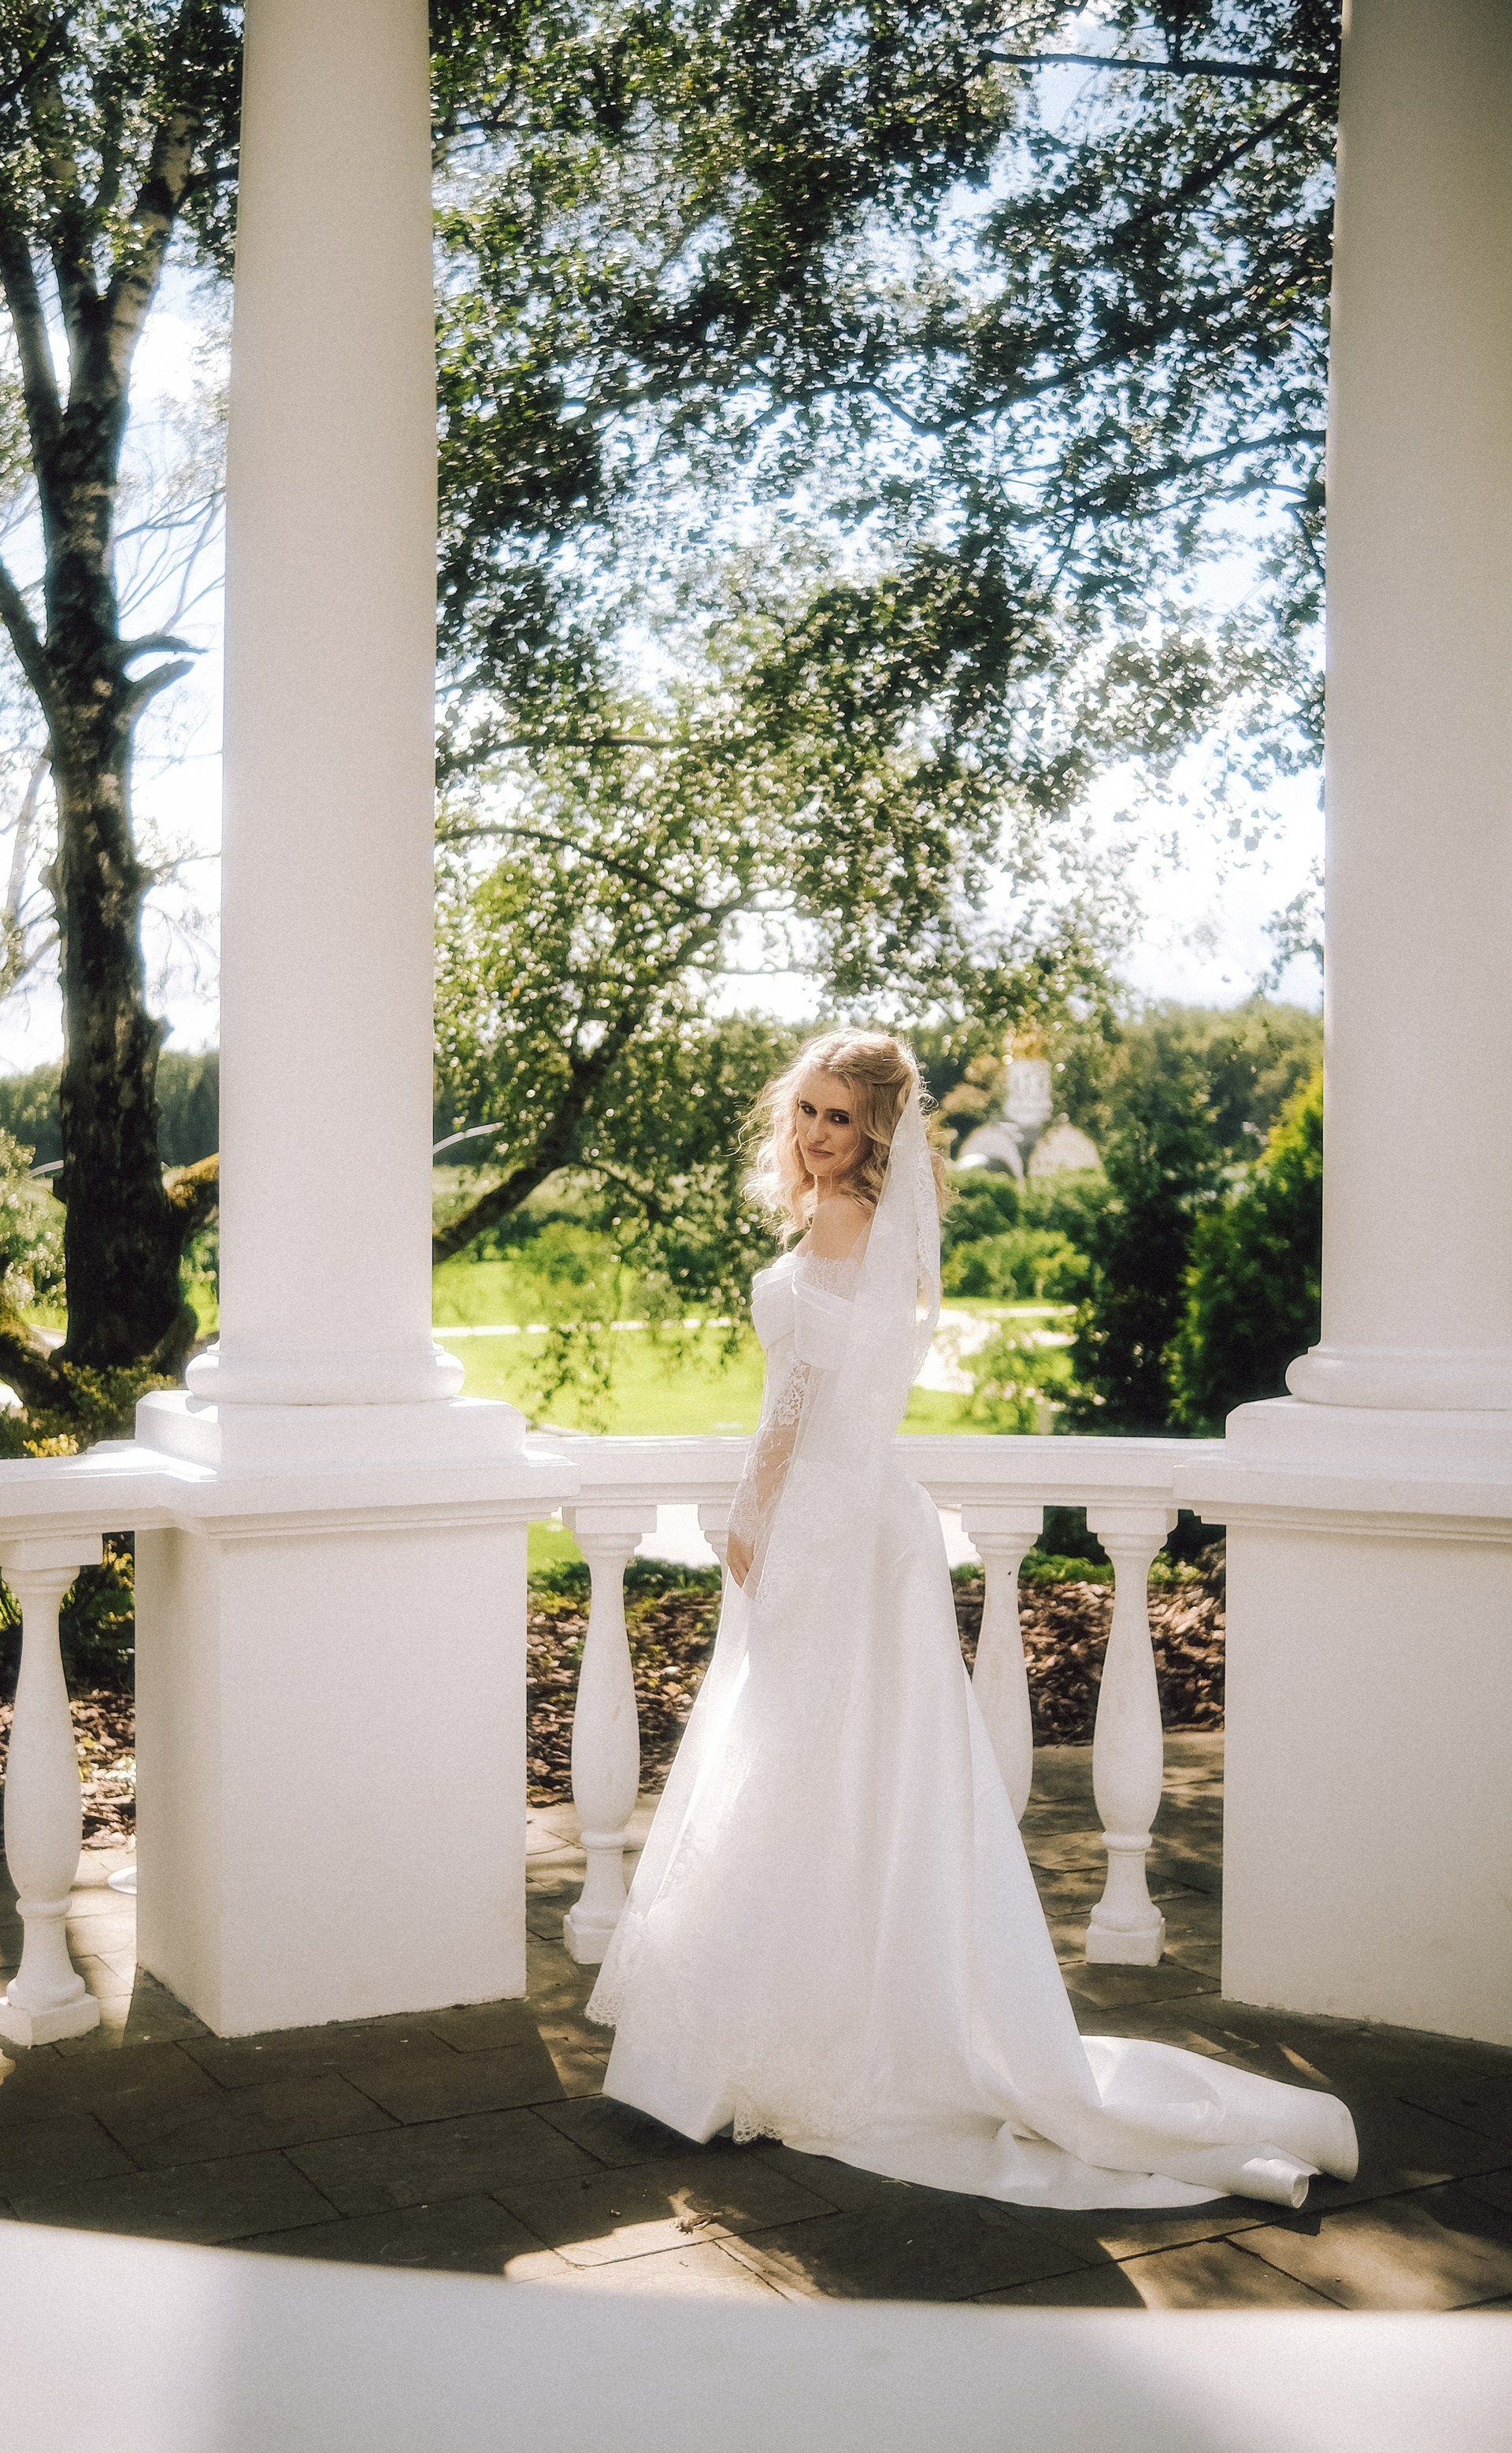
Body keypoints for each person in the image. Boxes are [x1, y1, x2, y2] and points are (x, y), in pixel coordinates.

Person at [587, 1030, 1357, 2211]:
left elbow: (799, 1397)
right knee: (845, 1765)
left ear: (875, 1132)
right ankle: (836, 2016)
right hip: (867, 1517)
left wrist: (750, 1511)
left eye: (841, 1118)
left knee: (798, 1759)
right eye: (807, 1111)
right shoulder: (873, 1224)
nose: (816, 1135)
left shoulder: (840, 1220)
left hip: (827, 1522)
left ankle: (785, 2037)